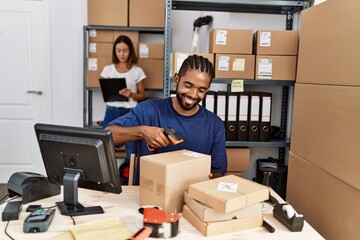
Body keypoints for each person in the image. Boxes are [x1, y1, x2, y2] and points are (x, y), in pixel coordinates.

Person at [106, 54, 227, 185]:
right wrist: (142, 132)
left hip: (191, 200)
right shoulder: (149, 110)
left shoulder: (215, 124)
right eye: (188, 85)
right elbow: (108, 136)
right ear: (176, 79)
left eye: (201, 90)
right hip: (149, 197)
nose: (193, 94)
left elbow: (218, 172)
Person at [100, 35, 146, 162]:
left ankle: (131, 178)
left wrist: (130, 94)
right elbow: (105, 92)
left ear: (130, 51)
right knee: (104, 147)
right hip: (111, 111)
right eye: (118, 50)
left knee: (132, 150)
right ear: (114, 52)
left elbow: (142, 96)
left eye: (125, 50)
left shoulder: (138, 71)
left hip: (130, 112)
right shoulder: (107, 70)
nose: (122, 54)